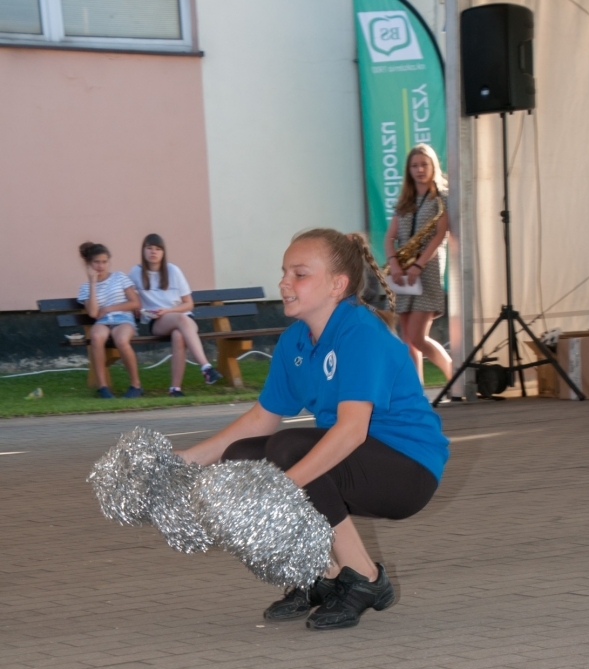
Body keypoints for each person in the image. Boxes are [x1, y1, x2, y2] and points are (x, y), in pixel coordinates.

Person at [177, 228, 449, 631]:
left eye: (299, 274)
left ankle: (364, 577)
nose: (284, 282)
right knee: (243, 456)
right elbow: (259, 420)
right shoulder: (295, 342)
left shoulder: (360, 332)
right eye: (284, 272)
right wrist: (183, 461)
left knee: (289, 449)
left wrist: (279, 491)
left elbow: (351, 431)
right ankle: (319, 575)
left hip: (408, 471)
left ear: (338, 285)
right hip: (355, 459)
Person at [384, 143, 453, 385]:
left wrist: (419, 265)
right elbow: (389, 238)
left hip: (427, 271)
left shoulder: (442, 198)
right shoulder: (405, 200)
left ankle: (454, 376)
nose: (420, 170)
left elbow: (440, 235)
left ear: (434, 166)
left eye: (424, 164)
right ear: (408, 170)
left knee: (417, 336)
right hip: (402, 272)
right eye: (414, 166)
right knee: (407, 340)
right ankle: (417, 392)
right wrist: (394, 263)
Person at [128, 234, 222, 396]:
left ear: (163, 252)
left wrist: (168, 311)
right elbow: (128, 296)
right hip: (158, 321)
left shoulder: (173, 271)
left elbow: (188, 304)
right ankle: (206, 367)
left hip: (182, 317)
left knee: (179, 335)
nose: (153, 252)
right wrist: (136, 304)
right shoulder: (136, 272)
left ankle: (175, 388)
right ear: (143, 251)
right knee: (181, 320)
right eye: (149, 248)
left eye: (158, 249)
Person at [77, 242, 142, 399]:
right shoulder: (85, 287)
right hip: (103, 321)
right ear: (89, 264)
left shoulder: (119, 277)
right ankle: (102, 387)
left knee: (121, 340)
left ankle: (136, 385)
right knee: (96, 336)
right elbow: (93, 313)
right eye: (96, 262)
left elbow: (135, 303)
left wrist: (108, 308)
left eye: (104, 262)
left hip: (123, 318)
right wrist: (93, 283)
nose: (101, 266)